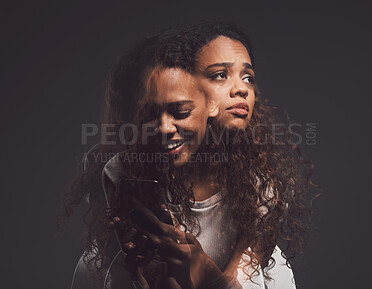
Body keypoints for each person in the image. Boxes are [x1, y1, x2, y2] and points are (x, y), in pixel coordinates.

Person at [65, 22, 314, 289]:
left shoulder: (258, 183)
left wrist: (206, 273)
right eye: (220, 75)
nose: (240, 89)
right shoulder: (125, 174)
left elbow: (237, 280)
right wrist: (153, 266)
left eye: (248, 77)